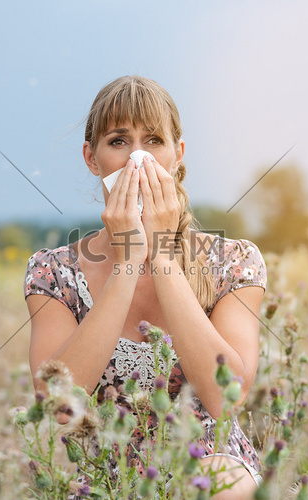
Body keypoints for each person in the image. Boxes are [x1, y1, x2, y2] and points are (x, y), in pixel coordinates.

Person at [24, 75, 266, 499]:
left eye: (153, 140)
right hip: (107, 482)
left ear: (178, 155)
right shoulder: (54, 272)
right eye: (118, 141)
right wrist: (129, 261)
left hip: (213, 471)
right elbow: (60, 404)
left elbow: (227, 398)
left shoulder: (234, 262)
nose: (138, 159)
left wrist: (164, 257)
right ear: (91, 157)